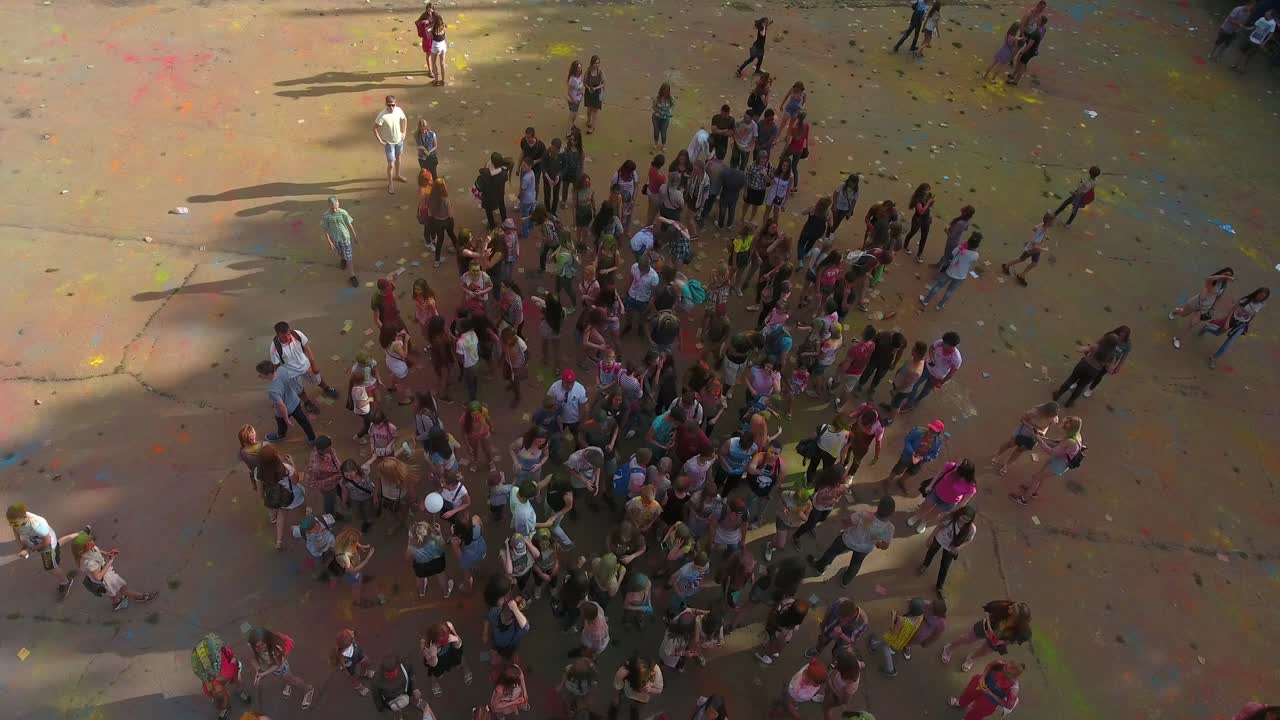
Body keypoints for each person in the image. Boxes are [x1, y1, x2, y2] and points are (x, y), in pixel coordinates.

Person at [807, 495, 895, 588]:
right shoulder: (889, 529)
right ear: (892, 513)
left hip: (848, 540)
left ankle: (820, 567)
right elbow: (885, 546)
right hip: (864, 549)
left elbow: (848, 521)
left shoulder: (864, 515)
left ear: (878, 506)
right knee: (855, 564)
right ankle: (845, 581)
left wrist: (844, 522)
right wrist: (878, 543)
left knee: (832, 552)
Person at [940, 599, 1032, 672]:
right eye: (1013, 605)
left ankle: (971, 658)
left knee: (984, 651)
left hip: (996, 641)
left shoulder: (1023, 630)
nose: (1010, 606)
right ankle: (949, 648)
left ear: (1017, 617)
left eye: (1013, 608)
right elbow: (987, 611)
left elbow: (1017, 640)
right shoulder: (1003, 606)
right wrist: (989, 628)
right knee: (966, 639)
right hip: (985, 628)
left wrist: (1004, 641)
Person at [267, 321, 340, 410]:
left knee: (318, 379)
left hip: (305, 365)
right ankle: (307, 402)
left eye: (288, 334)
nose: (288, 338)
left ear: (290, 330)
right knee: (299, 390)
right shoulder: (274, 348)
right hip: (291, 373)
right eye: (284, 336)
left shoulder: (297, 334)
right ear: (278, 335)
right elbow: (276, 365)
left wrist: (313, 364)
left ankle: (327, 388)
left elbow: (307, 348)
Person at [1010, 416, 1083, 505]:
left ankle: (1024, 499)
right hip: (1058, 459)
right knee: (1041, 477)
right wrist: (1040, 437)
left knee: (1036, 478)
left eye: (1067, 423)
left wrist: (1038, 439)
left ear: (1071, 427)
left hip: (1058, 465)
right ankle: (1034, 491)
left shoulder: (1070, 441)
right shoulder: (1075, 435)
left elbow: (1051, 451)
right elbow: (1055, 443)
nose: (1064, 423)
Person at [6, 504, 74, 599]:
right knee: (57, 548)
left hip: (48, 545)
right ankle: (75, 537)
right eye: (11, 523)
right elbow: (16, 530)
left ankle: (66, 582)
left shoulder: (37, 524)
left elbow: (47, 541)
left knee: (50, 567)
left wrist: (29, 550)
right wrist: (22, 547)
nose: (14, 526)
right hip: (35, 542)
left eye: (16, 524)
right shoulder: (17, 520)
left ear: (24, 517)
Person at [246, 627, 315, 710]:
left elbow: (277, 665)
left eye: (263, 644)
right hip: (274, 670)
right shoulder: (254, 647)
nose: (261, 648)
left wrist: (263, 674)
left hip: (282, 668)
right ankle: (288, 683)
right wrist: (258, 669)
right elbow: (253, 659)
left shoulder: (275, 649)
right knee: (285, 679)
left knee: (292, 680)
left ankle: (308, 689)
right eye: (257, 647)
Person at [1199, 287, 1269, 368]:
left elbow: (1253, 314)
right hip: (1232, 319)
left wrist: (1247, 324)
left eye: (1263, 297)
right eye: (1260, 295)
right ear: (1257, 293)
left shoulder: (1262, 305)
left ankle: (1213, 358)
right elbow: (1232, 310)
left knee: (1229, 343)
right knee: (1217, 333)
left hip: (1242, 325)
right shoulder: (1245, 300)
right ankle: (1206, 328)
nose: (1261, 297)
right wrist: (1227, 322)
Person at [1052, 330, 1122, 408]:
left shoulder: (1096, 347)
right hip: (1094, 371)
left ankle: (1058, 394)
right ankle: (1070, 402)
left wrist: (1085, 348)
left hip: (1084, 364)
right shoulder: (1112, 356)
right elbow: (1109, 370)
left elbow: (1080, 350)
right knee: (1081, 386)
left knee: (1071, 380)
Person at [918, 506, 977, 596]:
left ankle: (939, 586)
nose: (964, 521)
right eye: (963, 517)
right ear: (960, 514)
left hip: (951, 548)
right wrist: (931, 537)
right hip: (940, 539)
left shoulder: (971, 529)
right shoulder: (950, 518)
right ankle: (925, 565)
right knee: (931, 552)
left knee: (945, 566)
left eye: (967, 520)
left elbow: (969, 540)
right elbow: (939, 527)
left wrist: (959, 548)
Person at [192, 633, 253, 720]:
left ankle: (236, 696)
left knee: (238, 680)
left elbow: (234, 659)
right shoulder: (207, 688)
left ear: (228, 692)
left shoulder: (209, 687)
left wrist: (235, 671)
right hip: (218, 663)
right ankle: (228, 704)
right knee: (237, 681)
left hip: (229, 664)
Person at [990, 402, 1059, 476]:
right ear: (1045, 411)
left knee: (1020, 450)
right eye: (1049, 414)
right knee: (1010, 444)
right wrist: (1031, 427)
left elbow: (1047, 427)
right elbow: (1022, 419)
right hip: (1023, 431)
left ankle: (1007, 464)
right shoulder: (1034, 412)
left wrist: (1042, 432)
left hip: (1034, 436)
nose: (1050, 416)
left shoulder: (1053, 418)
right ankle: (997, 454)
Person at [881, 419, 944, 495]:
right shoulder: (917, 432)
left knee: (912, 472)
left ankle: (901, 481)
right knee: (899, 468)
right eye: (930, 429)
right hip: (908, 455)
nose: (931, 432)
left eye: (934, 431)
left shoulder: (938, 442)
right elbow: (907, 440)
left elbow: (934, 454)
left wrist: (924, 458)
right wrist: (912, 452)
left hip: (920, 460)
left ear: (938, 433)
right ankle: (889, 480)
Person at [902, 331, 962, 410]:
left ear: (952, 346)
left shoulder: (956, 358)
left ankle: (916, 401)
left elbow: (951, 373)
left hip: (937, 376)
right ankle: (909, 402)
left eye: (945, 344)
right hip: (928, 367)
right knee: (914, 385)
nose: (943, 344)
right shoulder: (940, 342)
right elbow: (931, 348)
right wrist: (932, 357)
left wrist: (941, 383)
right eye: (943, 342)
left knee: (926, 390)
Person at [919, 234, 981, 310]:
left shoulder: (960, 248)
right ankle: (940, 305)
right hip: (961, 276)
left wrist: (962, 247)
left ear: (968, 241)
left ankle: (926, 301)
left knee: (938, 286)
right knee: (950, 291)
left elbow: (953, 253)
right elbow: (973, 261)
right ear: (977, 245)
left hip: (949, 271)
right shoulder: (976, 255)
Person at [869, 596, 926, 676]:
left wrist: (893, 616)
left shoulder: (902, 620)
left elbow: (893, 632)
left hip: (894, 638)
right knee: (884, 645)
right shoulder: (920, 617)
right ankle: (873, 645)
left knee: (885, 646)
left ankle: (890, 669)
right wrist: (912, 602)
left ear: (911, 608)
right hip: (903, 640)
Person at [950, 660, 1024, 720]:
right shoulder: (1000, 663)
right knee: (970, 691)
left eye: (1006, 672)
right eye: (1005, 667)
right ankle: (961, 703)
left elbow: (1009, 706)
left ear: (1012, 676)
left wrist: (990, 693)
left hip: (991, 698)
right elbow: (989, 666)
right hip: (984, 682)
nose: (1003, 670)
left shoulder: (1013, 689)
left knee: (980, 710)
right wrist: (982, 677)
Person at [419, 621, 473, 697]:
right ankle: (434, 682)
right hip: (438, 660)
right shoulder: (426, 643)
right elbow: (432, 664)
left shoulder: (449, 626)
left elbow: (459, 644)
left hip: (450, 652)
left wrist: (456, 639)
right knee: (436, 673)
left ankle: (465, 668)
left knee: (459, 658)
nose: (445, 642)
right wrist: (433, 656)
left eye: (447, 638)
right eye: (442, 642)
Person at [370, 655, 426, 720]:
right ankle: (398, 715)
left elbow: (411, 673)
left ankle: (416, 701)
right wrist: (382, 709)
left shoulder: (404, 664)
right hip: (391, 699)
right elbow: (376, 696)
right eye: (387, 675)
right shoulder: (376, 680)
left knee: (413, 695)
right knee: (396, 713)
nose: (391, 678)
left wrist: (415, 687)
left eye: (393, 674)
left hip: (406, 690)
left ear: (398, 666)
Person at [320, 196, 359, 287]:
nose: (334, 209)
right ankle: (342, 259)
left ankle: (352, 275)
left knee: (349, 257)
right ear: (329, 205)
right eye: (332, 208)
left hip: (345, 238)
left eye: (336, 207)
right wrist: (330, 242)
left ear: (338, 203)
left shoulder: (343, 213)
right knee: (340, 252)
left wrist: (355, 236)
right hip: (336, 239)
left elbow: (350, 225)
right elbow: (325, 230)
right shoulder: (326, 216)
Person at [611, 655, 664, 720]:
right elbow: (617, 686)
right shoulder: (623, 672)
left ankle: (634, 708)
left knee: (636, 705)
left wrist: (651, 688)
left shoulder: (655, 669)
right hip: (629, 693)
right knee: (628, 700)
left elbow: (659, 689)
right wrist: (616, 698)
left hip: (642, 698)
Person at [374, 95, 408, 194]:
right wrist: (380, 140)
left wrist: (404, 132)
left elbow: (404, 119)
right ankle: (390, 183)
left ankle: (397, 175)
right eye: (389, 105)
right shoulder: (382, 115)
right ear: (386, 104)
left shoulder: (399, 110)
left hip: (399, 140)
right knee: (391, 164)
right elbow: (374, 128)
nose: (392, 107)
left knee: (398, 159)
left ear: (395, 104)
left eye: (393, 105)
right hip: (389, 143)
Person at [477, 152, 513, 230]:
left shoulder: (486, 173)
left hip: (488, 196)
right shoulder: (503, 173)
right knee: (502, 205)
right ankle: (504, 220)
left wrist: (487, 166)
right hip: (500, 193)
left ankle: (492, 226)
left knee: (488, 211)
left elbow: (481, 171)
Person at [1008, 15, 1048, 84]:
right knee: (1021, 62)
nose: (1037, 19)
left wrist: (1022, 52)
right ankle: (1014, 76)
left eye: (1038, 19)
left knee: (1022, 65)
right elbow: (1037, 40)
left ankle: (1015, 81)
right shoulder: (1040, 30)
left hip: (1029, 51)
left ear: (1040, 22)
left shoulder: (1036, 32)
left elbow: (1030, 44)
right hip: (1032, 50)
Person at [901, 183, 934, 260]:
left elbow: (929, 208)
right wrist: (928, 203)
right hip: (918, 218)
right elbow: (921, 211)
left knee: (924, 236)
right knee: (912, 232)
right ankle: (905, 245)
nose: (928, 192)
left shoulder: (928, 196)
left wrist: (931, 204)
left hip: (926, 219)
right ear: (922, 190)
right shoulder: (917, 199)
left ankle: (919, 254)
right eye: (927, 190)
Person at [651, 82, 675, 151]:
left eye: (667, 91)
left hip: (665, 119)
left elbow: (672, 107)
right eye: (664, 90)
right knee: (656, 130)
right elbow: (653, 107)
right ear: (661, 90)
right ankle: (655, 143)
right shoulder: (656, 98)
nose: (666, 92)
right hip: (656, 117)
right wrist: (660, 111)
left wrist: (670, 112)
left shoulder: (671, 99)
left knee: (663, 132)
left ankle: (663, 145)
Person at [583, 55, 605, 133]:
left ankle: (592, 127)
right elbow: (584, 82)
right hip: (589, 92)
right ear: (592, 63)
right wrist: (588, 87)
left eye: (598, 63)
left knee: (595, 111)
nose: (597, 65)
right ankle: (589, 120)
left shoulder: (600, 72)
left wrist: (596, 88)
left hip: (597, 93)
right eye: (595, 63)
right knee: (589, 109)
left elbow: (603, 83)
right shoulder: (587, 72)